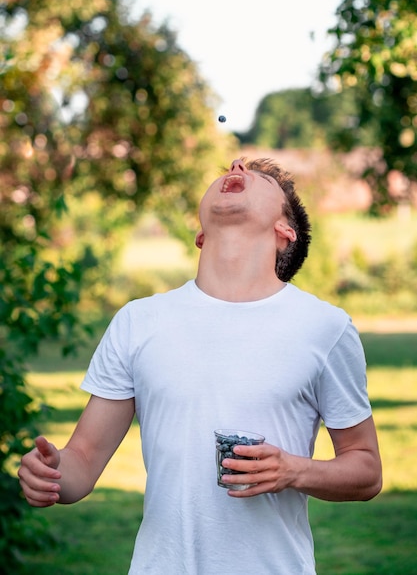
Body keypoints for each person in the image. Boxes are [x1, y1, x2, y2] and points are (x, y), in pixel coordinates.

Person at [18, 157, 382, 574]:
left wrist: (292, 470)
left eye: (259, 178)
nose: (236, 165)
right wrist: (51, 473)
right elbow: (82, 462)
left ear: (285, 232)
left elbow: (366, 470)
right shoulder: (139, 322)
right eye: (230, 170)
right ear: (201, 235)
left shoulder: (325, 328)